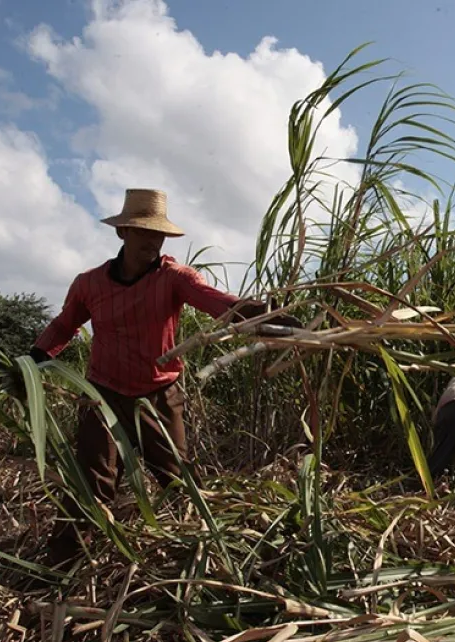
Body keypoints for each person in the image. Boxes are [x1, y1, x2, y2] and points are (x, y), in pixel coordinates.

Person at [28, 188, 299, 564]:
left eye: (158, 235)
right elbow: (64, 325)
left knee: (179, 483)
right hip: (102, 398)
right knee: (91, 486)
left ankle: (208, 560)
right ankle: (61, 568)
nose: (152, 242)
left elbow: (213, 300)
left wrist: (258, 315)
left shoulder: (173, 278)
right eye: (143, 232)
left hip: (160, 397)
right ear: (122, 233)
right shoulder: (89, 284)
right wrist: (33, 359)